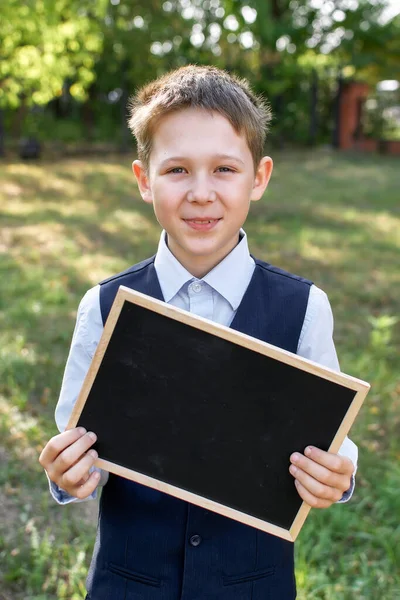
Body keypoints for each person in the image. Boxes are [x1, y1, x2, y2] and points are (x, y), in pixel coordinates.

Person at [39, 65, 357, 599]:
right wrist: (67, 475)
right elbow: (77, 440)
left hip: (253, 584)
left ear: (259, 177)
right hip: (130, 582)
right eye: (178, 170)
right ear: (145, 180)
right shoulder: (104, 304)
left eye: (225, 169)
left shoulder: (304, 308)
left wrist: (338, 475)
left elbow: (333, 441)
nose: (201, 193)